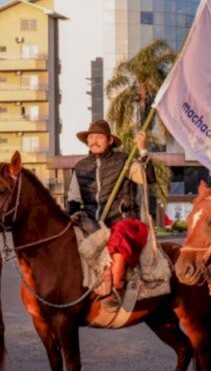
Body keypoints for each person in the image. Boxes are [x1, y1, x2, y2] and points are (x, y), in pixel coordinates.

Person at [66, 119, 154, 310]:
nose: (94, 141)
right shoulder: (80, 167)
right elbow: (73, 198)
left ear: (110, 140)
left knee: (118, 234)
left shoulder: (124, 160)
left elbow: (147, 177)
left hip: (122, 220)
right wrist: (73, 213)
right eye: (90, 138)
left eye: (99, 137)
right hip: (91, 221)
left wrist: (143, 151)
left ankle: (116, 287)